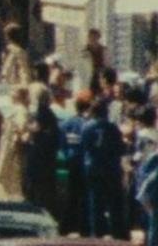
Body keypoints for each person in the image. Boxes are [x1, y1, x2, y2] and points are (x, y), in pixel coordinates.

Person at [82, 98, 128, 239]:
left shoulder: (87, 127)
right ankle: (117, 232)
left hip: (93, 167)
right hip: (110, 168)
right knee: (114, 202)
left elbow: (85, 147)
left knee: (95, 202)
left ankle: (97, 232)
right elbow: (120, 148)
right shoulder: (112, 127)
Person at [59, 90, 93, 236]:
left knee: (71, 197)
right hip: (85, 165)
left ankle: (66, 227)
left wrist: (68, 154)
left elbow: (61, 144)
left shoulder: (66, 124)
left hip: (71, 164)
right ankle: (84, 228)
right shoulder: (89, 125)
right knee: (85, 198)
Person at [23, 84, 61, 214]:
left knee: (36, 187)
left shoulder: (42, 111)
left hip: (40, 157)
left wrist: (27, 126)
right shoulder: (48, 112)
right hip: (45, 156)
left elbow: (37, 128)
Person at [0, 86, 29, 197]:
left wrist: (16, 139)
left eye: (13, 92)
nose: (10, 95)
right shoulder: (14, 109)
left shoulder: (20, 110)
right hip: (7, 146)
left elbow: (21, 128)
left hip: (12, 149)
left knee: (10, 176)